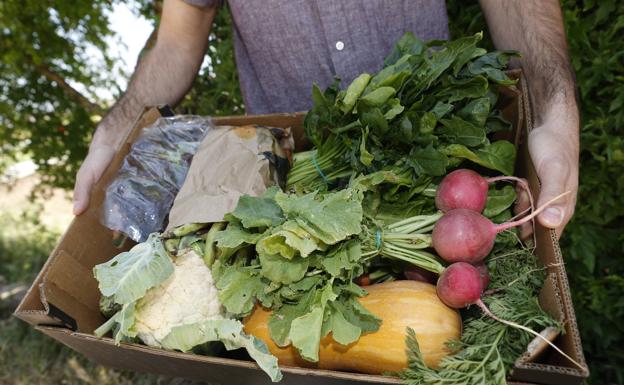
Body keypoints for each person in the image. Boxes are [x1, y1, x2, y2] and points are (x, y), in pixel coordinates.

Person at [73, 0, 579, 238]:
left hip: (437, 164)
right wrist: (114, 130)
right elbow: (177, 43)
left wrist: (556, 110)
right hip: (287, 190)